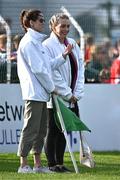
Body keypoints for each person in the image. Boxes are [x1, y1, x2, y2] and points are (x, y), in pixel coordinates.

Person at [17, 9, 73, 173]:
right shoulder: (28, 42)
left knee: (41, 131)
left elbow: (48, 65)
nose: (43, 22)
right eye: (41, 20)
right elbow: (39, 70)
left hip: (42, 94)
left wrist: (63, 56)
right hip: (33, 93)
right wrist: (52, 87)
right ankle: (23, 164)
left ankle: (37, 164)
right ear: (31, 23)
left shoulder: (38, 43)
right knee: (31, 129)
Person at [42, 13, 85, 172]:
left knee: (64, 130)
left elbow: (80, 67)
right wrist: (67, 93)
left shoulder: (73, 42)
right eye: (62, 26)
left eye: (68, 26)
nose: (66, 29)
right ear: (53, 27)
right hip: (55, 96)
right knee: (53, 130)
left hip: (72, 96)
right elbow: (52, 73)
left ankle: (60, 163)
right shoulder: (47, 45)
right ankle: (52, 164)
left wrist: (77, 92)